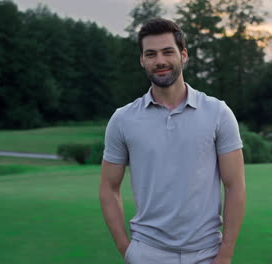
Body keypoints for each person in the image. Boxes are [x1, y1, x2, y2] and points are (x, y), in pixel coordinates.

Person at [99, 18, 246, 264]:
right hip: (146, 253)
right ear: (142, 60)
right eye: (151, 54)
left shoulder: (218, 113)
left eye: (168, 52)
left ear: (183, 55)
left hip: (206, 254)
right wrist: (127, 250)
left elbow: (235, 187)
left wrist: (225, 255)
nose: (160, 61)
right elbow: (108, 188)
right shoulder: (122, 119)